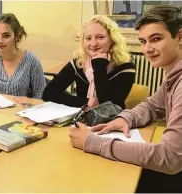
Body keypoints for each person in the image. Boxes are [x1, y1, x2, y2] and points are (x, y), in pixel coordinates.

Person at [68, 5, 182, 192]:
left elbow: (169, 158)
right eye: (143, 41)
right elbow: (152, 105)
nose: (147, 49)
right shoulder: (173, 75)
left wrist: (92, 142)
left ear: (179, 37)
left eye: (156, 39)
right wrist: (124, 118)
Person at [42, 15, 135, 109]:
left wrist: (99, 66)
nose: (93, 44)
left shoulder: (125, 67)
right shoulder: (79, 63)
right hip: (82, 117)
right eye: (88, 38)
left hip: (112, 120)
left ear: (112, 40)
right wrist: (85, 103)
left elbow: (109, 105)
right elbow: (49, 93)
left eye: (100, 37)